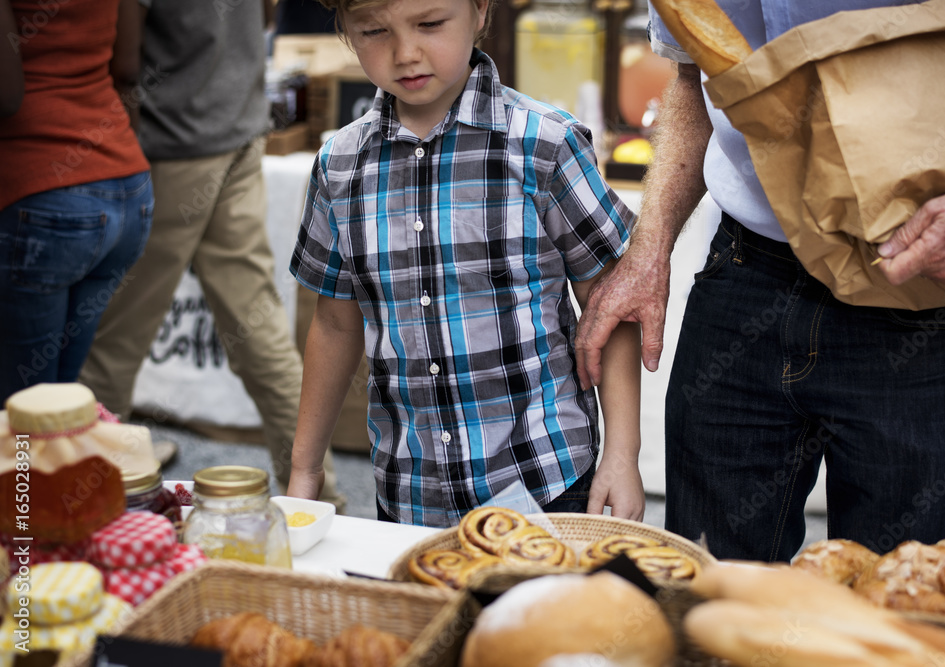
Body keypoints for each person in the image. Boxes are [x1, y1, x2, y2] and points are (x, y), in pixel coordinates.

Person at [575, 0, 945, 562]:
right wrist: (648, 251)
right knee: (710, 592)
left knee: (894, 616)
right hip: (746, 274)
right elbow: (694, 75)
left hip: (926, 295)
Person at [286, 0, 643, 527]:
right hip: (410, 495)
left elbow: (610, 308)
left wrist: (622, 456)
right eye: (374, 31)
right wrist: (304, 469)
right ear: (345, 32)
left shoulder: (546, 145)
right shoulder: (339, 165)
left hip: (545, 482)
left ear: (479, 10)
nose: (406, 53)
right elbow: (336, 323)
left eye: (430, 24)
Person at [78, 0, 346, 508]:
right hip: (238, 132)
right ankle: (321, 502)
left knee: (114, 342)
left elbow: (125, 61)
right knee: (258, 331)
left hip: (175, 147)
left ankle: (80, 508)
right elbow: (266, 17)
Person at [0, 0, 152, 405]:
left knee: (23, 413)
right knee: (59, 403)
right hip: (125, 187)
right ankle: (42, 470)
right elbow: (127, 68)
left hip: (43, 195)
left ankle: (23, 473)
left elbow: (6, 94)